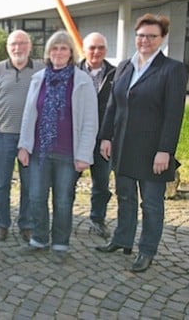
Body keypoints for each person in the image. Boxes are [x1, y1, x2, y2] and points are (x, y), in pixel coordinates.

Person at [96, 14, 187, 272]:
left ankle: (146, 250)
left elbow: (173, 115)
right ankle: (123, 239)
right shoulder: (125, 66)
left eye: (151, 36)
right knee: (125, 196)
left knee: (151, 203)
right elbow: (113, 104)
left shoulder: (172, 69)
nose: (145, 40)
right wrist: (106, 136)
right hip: (123, 145)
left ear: (162, 39)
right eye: (141, 35)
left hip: (152, 150)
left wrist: (165, 151)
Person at [17, 30, 98, 263]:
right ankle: (39, 238)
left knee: (63, 200)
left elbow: (91, 121)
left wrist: (84, 155)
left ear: (71, 53)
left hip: (67, 153)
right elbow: (28, 115)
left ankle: (60, 244)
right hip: (39, 152)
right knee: (36, 196)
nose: (59, 53)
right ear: (48, 53)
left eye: (63, 48)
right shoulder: (39, 78)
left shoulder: (82, 81)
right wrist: (24, 146)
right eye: (54, 49)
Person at [0, 30, 45, 242]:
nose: (18, 48)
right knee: (2, 183)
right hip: (2, 134)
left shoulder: (40, 69)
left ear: (29, 47)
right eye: (14, 44)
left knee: (29, 183)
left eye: (22, 43)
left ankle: (27, 224)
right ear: (7, 47)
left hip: (31, 136)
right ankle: (2, 223)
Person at [78, 32, 117, 239]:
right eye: (92, 48)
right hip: (76, 139)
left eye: (100, 48)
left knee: (101, 184)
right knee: (66, 181)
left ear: (106, 51)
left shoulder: (116, 74)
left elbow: (118, 108)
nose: (96, 52)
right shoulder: (71, 71)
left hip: (103, 139)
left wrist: (108, 137)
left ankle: (97, 218)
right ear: (84, 50)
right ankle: (63, 217)